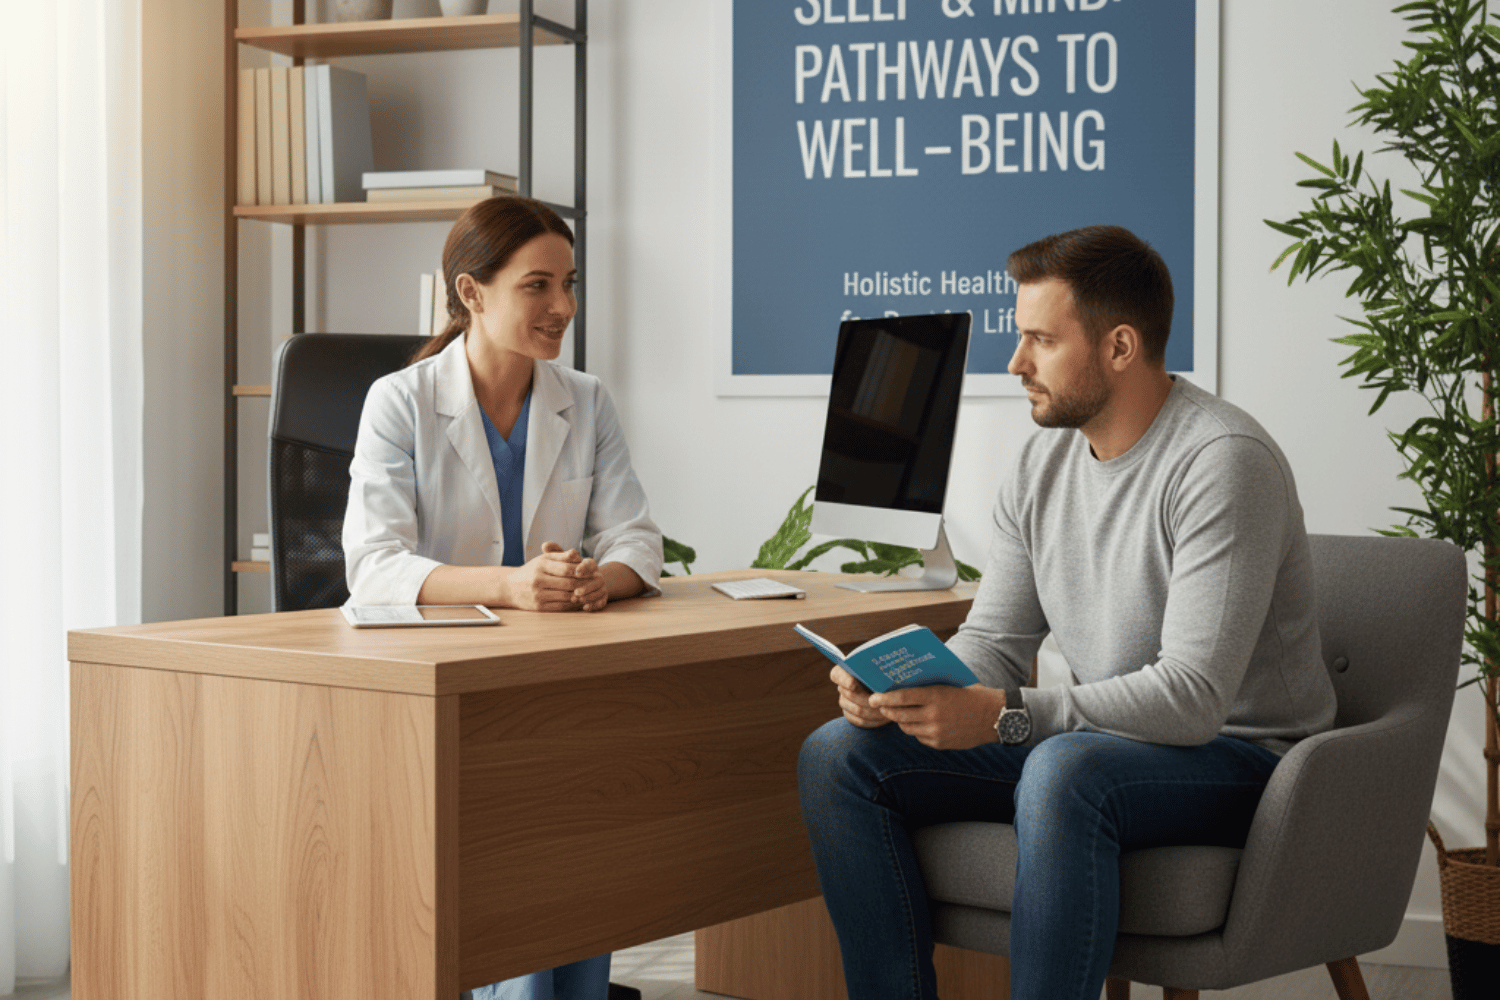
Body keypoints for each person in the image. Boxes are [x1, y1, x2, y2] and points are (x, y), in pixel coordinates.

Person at [796, 225, 1337, 1000]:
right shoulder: (1043, 460)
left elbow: (1191, 699)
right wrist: (908, 688)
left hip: (1243, 757)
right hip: (1103, 744)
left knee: (1062, 768)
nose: (1016, 364)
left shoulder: (1222, 461)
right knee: (837, 756)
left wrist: (1003, 716)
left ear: (1120, 347)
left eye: (1040, 340)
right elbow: (997, 636)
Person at [342, 196, 663, 1000]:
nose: (563, 307)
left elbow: (638, 540)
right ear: (472, 293)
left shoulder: (584, 400)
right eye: (538, 286)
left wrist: (600, 578)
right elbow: (372, 566)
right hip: (435, 686)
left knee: (586, 825)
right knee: (518, 837)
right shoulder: (400, 402)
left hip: (548, 680)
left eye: (570, 283)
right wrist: (510, 587)